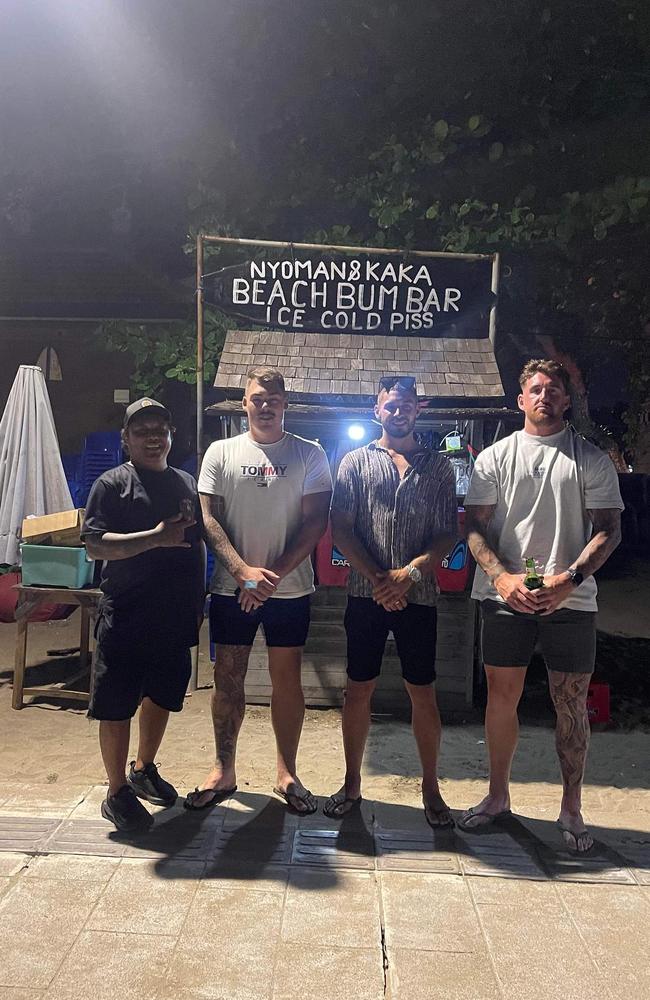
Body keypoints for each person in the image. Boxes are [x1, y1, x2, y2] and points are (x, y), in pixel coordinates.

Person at [459, 359, 623, 851]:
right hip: (505, 596)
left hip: (571, 600)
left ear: (567, 400)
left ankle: (571, 806)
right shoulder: (494, 457)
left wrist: (569, 579)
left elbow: (609, 530)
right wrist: (501, 577)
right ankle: (497, 795)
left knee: (570, 703)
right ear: (520, 400)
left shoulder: (590, 459)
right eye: (535, 389)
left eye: (554, 390)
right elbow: (473, 528)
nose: (544, 396)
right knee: (500, 700)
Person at [185, 367, 332, 813]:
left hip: (289, 591)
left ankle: (287, 772)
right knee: (228, 678)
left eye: (273, 398)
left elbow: (315, 524)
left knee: (287, 682)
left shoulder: (309, 454)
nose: (265, 405)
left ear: (285, 404)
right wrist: (242, 571)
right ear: (243, 404)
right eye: (256, 398)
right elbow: (209, 519)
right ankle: (223, 769)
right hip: (233, 589)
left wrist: (268, 578)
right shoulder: (220, 451)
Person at [324, 375, 458, 827]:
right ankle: (352, 782)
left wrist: (410, 574)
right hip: (365, 595)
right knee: (357, 689)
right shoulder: (355, 462)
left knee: (423, 692)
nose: (397, 412)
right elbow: (341, 527)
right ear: (375, 410)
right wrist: (381, 579)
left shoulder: (439, 467)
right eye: (389, 406)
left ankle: (431, 788)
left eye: (405, 405)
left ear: (417, 409)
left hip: (419, 596)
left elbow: (446, 534)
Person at [82, 398, 206, 832]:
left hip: (174, 615)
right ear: (126, 439)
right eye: (142, 431)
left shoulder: (186, 482)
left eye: (160, 430)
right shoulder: (111, 485)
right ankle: (116, 792)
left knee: (163, 694)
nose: (153, 437)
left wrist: (200, 604)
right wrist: (154, 538)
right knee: (116, 704)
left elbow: (202, 541)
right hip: (127, 613)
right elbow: (95, 545)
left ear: (170, 436)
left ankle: (143, 768)